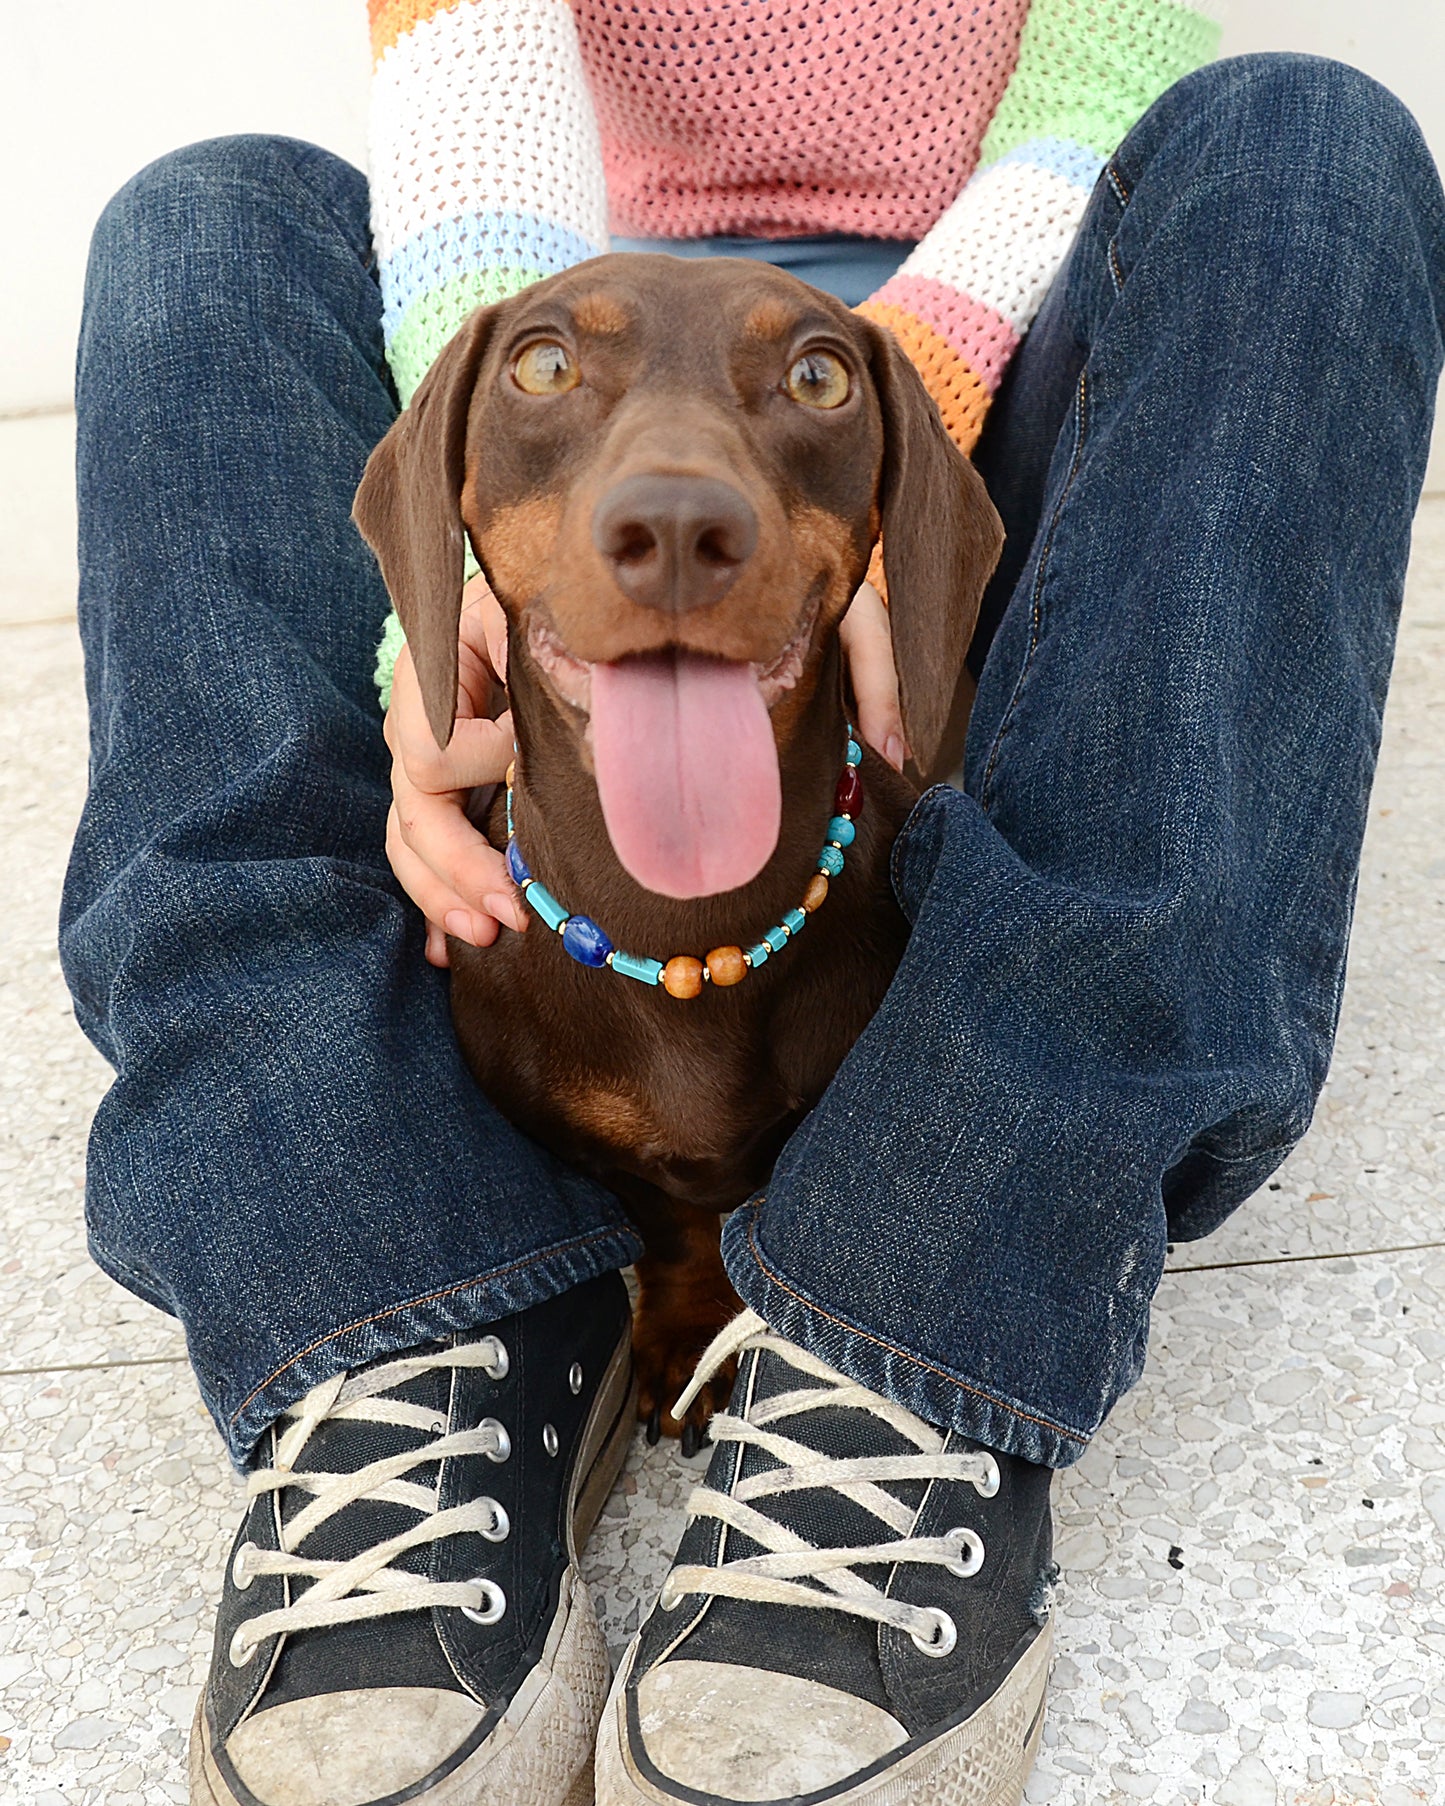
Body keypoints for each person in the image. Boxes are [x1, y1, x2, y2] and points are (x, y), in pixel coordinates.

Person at [60, 1, 1444, 1801]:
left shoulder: (875, 451)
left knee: (1303, 145)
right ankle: (404, 1300)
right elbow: (476, 162)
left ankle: (931, 1316)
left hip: (978, 383)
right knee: (209, 216)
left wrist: (867, 477)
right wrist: (460, 595)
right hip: (571, 343)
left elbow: (1106, 79)